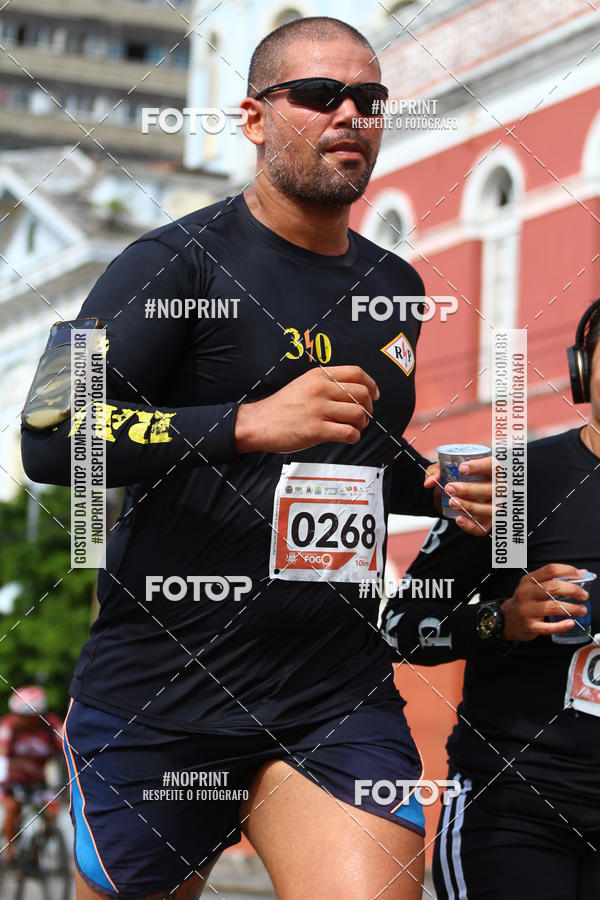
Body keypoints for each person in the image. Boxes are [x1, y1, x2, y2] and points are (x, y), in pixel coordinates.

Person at [21, 17, 494, 900]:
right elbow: (49, 435)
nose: (349, 114)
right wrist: (243, 424)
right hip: (163, 699)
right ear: (253, 118)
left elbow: (359, 458)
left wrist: (433, 487)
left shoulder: (397, 285)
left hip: (333, 694)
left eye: (370, 99)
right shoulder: (166, 265)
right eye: (319, 96)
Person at [382, 300, 600, 899]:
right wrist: (500, 620)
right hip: (515, 806)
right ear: (583, 370)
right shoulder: (512, 479)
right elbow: (402, 627)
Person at [0, 685, 63, 864]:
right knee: (12, 807)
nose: (17, 718)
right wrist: (2, 779)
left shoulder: (50, 723)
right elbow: (2, 753)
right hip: (12, 780)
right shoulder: (10, 724)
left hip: (39, 781)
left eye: (22, 716)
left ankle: (35, 854)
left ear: (36, 714)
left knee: (52, 813)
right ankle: (10, 851)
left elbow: (66, 749)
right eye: (16, 714)